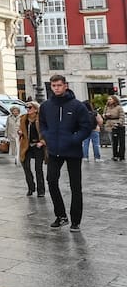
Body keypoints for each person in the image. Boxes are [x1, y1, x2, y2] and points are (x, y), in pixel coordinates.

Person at [39, 74, 94, 231]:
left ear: (65, 85)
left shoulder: (77, 106)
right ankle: (61, 216)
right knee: (51, 181)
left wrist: (74, 139)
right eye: (53, 85)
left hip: (73, 151)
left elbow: (86, 127)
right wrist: (47, 136)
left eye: (59, 85)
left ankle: (75, 221)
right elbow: (42, 124)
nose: (56, 88)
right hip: (54, 150)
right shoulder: (46, 106)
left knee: (75, 186)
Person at [19, 101, 46, 197]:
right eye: (26, 108)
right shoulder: (24, 119)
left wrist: (42, 142)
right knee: (26, 167)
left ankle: (41, 190)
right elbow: (21, 129)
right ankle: (31, 187)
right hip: (27, 145)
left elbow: (46, 131)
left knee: (38, 169)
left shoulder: (41, 119)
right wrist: (20, 132)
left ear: (35, 109)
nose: (27, 109)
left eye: (30, 107)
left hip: (38, 146)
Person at [105, 96, 124, 161]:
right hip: (109, 125)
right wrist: (105, 115)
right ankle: (115, 155)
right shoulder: (107, 107)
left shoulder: (119, 107)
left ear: (114, 100)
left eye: (110, 99)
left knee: (118, 141)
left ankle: (120, 155)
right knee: (112, 142)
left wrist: (119, 123)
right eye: (108, 99)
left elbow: (122, 116)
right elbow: (104, 115)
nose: (109, 100)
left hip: (116, 126)